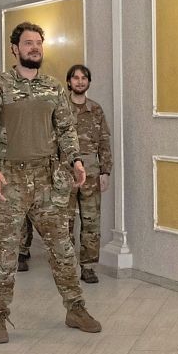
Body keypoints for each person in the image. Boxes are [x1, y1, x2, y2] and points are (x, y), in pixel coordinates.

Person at [0, 23, 101, 343]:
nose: (34, 48)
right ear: (14, 49)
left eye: (38, 43)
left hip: (47, 178)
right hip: (9, 179)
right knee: (4, 253)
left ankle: (76, 308)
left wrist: (75, 160)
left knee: (63, 249)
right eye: (28, 43)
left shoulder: (53, 87)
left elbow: (66, 129)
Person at [64, 64, 112, 283]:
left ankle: (89, 267)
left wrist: (105, 171)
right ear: (69, 82)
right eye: (76, 78)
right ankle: (66, 266)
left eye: (84, 78)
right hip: (65, 173)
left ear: (89, 82)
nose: (80, 81)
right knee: (64, 222)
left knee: (91, 221)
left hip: (92, 174)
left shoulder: (96, 110)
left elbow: (104, 142)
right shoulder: (61, 108)